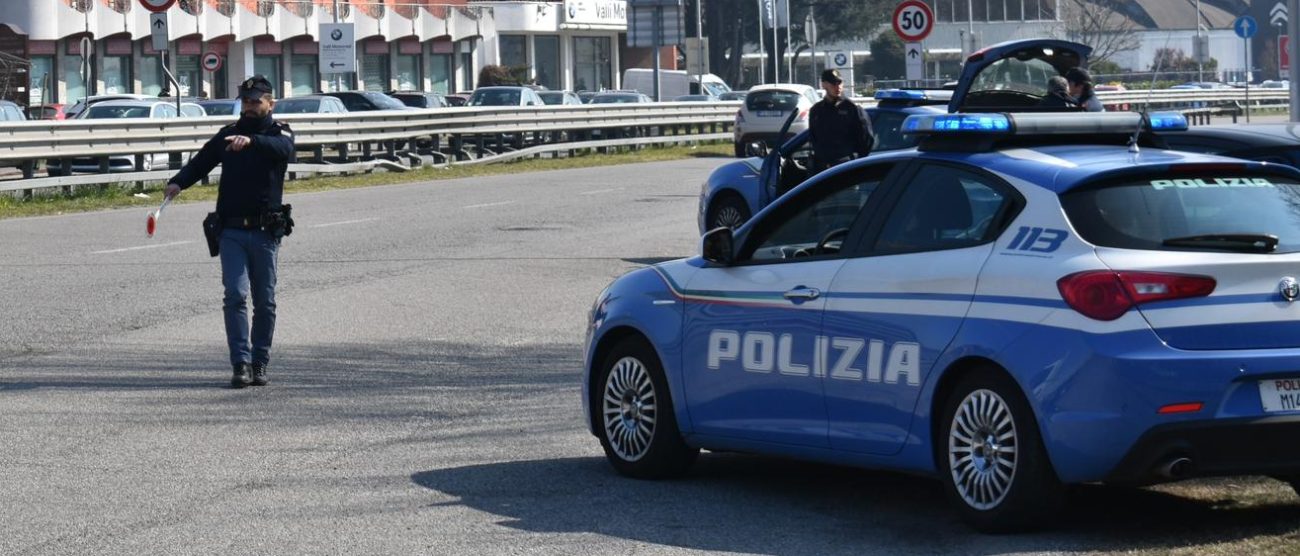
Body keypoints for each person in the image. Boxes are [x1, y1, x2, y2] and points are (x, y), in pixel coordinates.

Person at [164, 75, 295, 389]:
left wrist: (253, 142)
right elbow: (200, 163)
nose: (249, 107)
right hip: (232, 231)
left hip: (265, 232)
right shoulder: (228, 135)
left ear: (270, 103)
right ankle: (241, 363)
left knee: (265, 301)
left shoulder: (281, 133)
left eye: (256, 101)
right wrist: (178, 182)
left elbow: (284, 150)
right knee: (235, 295)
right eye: (246, 101)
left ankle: (260, 361)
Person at [808, 68, 874, 174]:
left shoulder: (852, 108)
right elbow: (814, 138)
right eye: (833, 83)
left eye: (840, 83)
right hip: (822, 170)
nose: (837, 87)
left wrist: (855, 161)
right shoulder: (816, 110)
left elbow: (866, 139)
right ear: (824, 85)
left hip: (846, 168)